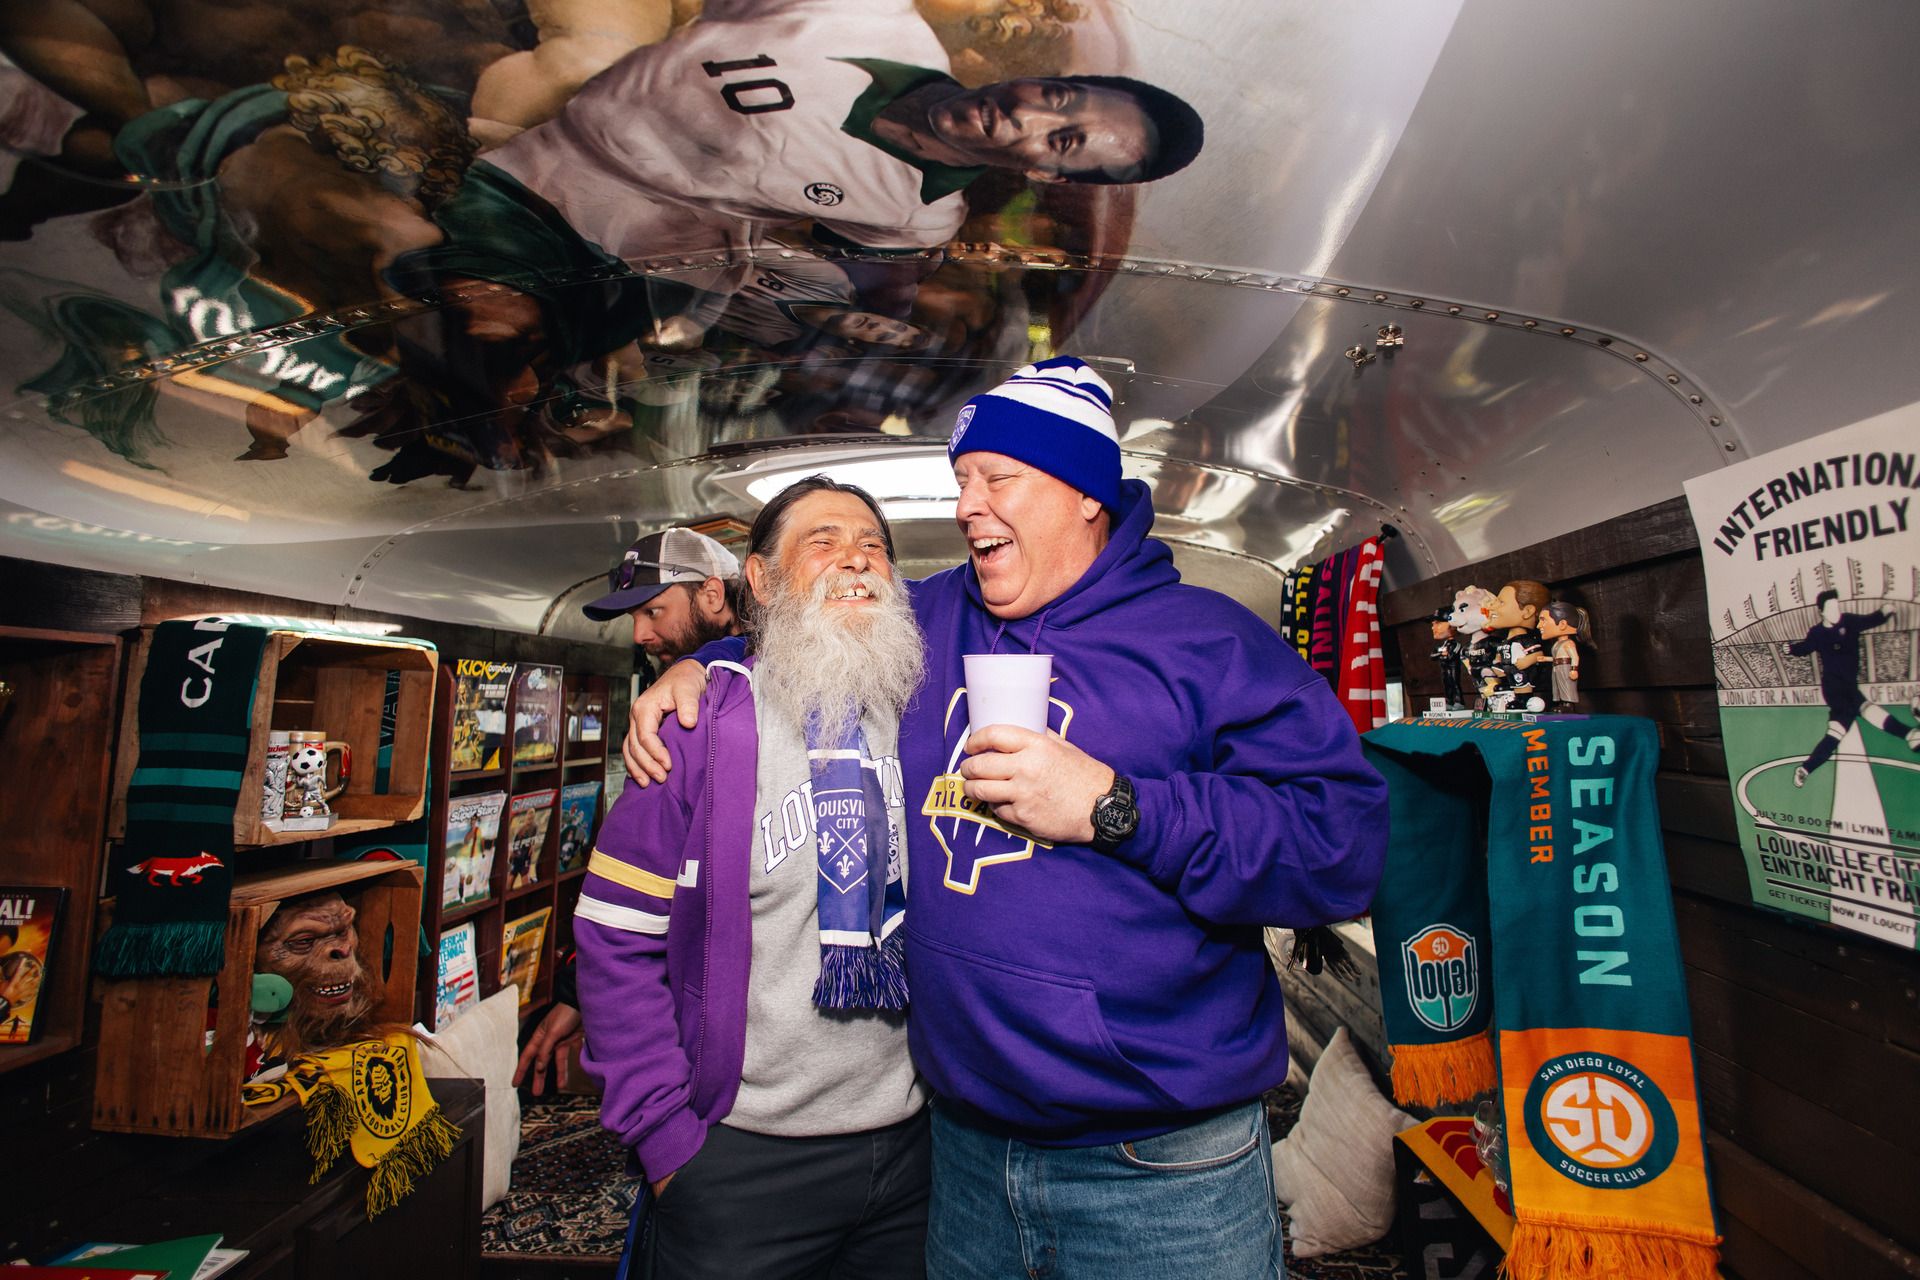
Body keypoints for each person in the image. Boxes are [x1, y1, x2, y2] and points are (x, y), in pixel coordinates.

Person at [627, 356, 1390, 1278]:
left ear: (1084, 493)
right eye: (961, 481)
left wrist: (1116, 807)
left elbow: (1341, 849)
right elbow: (814, 619)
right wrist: (702, 670)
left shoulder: (1211, 640)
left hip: (1162, 1170)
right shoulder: (934, 615)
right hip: (964, 1158)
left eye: (996, 478)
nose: (966, 506)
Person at [373, 0, 1206, 477]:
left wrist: (858, 381)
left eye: (1061, 139)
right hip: (537, 187)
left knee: (505, 402)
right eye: (1058, 97)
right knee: (491, 333)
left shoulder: (918, 214)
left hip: (639, 275)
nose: (1023, 115)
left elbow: (877, 304)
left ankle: (460, 435)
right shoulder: (861, 16)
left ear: (1048, 171)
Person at [577, 477, 932, 1279]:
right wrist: (665, 1143)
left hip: (915, 1152)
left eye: (873, 545)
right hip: (739, 1161)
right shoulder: (694, 729)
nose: (856, 560)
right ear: (761, 581)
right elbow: (613, 941)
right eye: (823, 542)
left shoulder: (925, 713)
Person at [516, 526, 748, 1096]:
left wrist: (704, 663)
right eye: (634, 617)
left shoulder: (748, 685)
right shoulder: (669, 695)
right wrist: (576, 994)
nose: (641, 633)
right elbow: (642, 870)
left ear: (712, 595)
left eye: (653, 611)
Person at [1784, 589, 1920, 787]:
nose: (1836, 611)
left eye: (1837, 606)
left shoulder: (1849, 621)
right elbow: (1805, 647)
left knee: (1837, 731)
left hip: (1850, 686)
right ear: (1821, 611)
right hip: (1834, 689)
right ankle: (1910, 735)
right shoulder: (1817, 633)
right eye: (1831, 608)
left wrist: (1884, 612)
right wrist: (1791, 649)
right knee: (1863, 713)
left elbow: (1870, 620)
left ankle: (1805, 769)